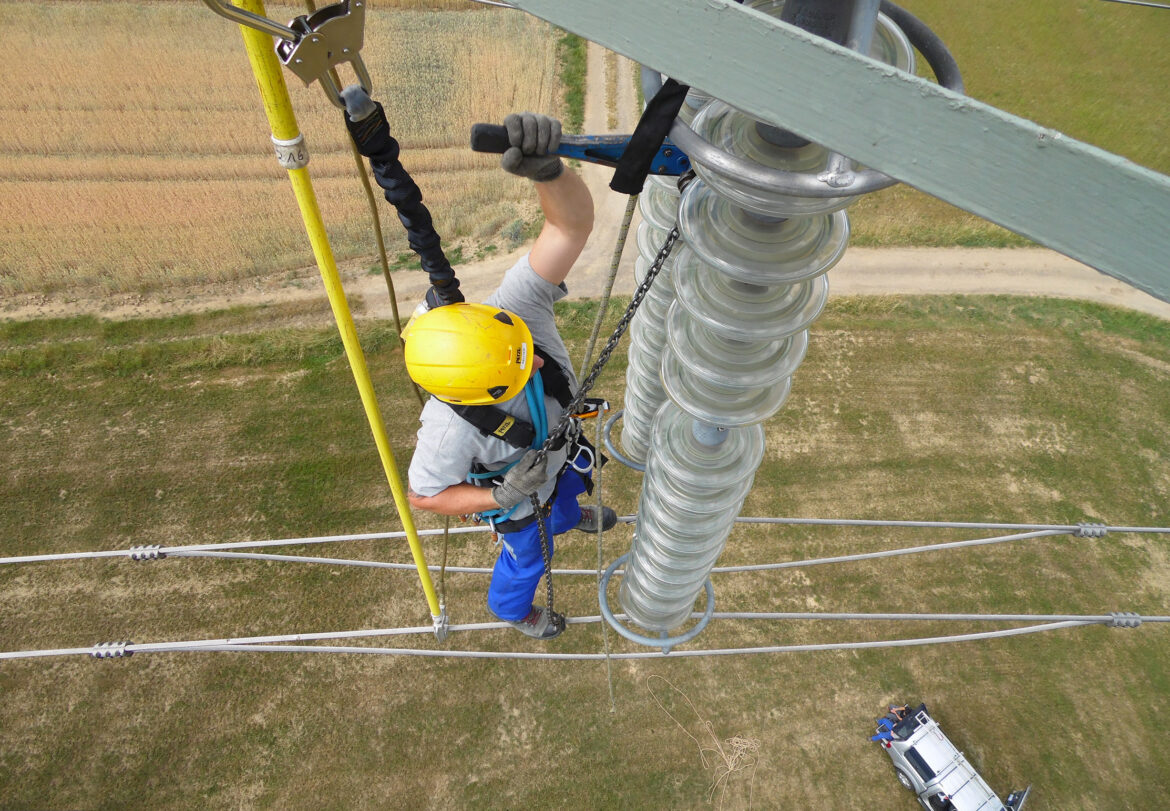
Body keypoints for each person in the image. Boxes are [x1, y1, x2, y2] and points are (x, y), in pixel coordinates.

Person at [404, 112, 617, 640]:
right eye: (517, 373)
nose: (539, 363)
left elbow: (569, 227)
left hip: (555, 456)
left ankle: (568, 516)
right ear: (474, 393)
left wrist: (551, 174)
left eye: (525, 350)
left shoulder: (512, 309)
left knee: (567, 488)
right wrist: (497, 500)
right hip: (517, 496)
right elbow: (424, 496)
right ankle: (512, 610)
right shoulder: (449, 429)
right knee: (528, 556)